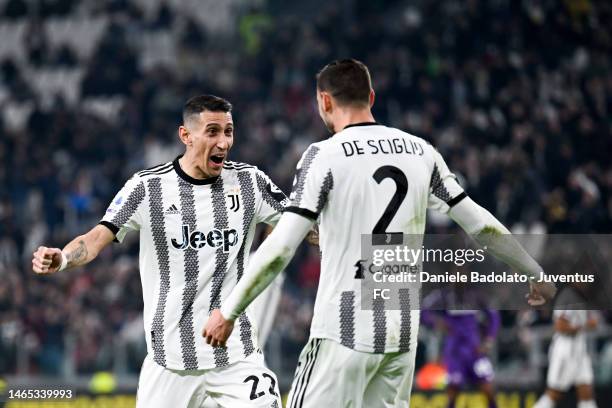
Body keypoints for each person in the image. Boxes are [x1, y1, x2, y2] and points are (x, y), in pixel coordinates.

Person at [204, 59, 555, 407]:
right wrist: (534, 272)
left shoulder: (323, 155)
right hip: (400, 334)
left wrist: (229, 311)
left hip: (343, 331)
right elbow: (480, 224)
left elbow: (282, 246)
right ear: (371, 97)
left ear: (324, 101)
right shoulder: (422, 152)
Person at [32, 94, 285, 408]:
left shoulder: (250, 182)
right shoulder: (147, 187)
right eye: (212, 132)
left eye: (228, 132)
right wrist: (64, 258)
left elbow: (301, 225)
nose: (223, 142)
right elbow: (98, 236)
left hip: (235, 358)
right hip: (169, 364)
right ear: (186, 136)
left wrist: (355, 232)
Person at [533, 309, 599, 408]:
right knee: (554, 394)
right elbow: (560, 326)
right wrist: (585, 325)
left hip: (580, 349)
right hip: (565, 351)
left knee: (586, 393)